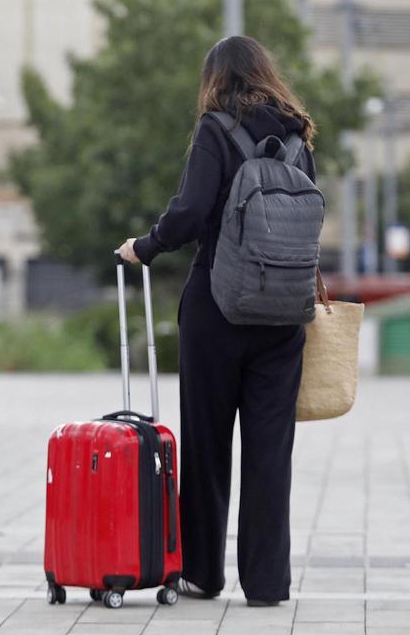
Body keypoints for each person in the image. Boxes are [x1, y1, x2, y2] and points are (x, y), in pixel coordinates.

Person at [117, 35, 317, 607]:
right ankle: (267, 583)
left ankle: (203, 572)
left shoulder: (215, 130)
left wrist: (144, 247)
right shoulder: (299, 136)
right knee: (269, 451)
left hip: (218, 308)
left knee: (207, 447)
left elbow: (189, 212)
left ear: (215, 79)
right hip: (283, 314)